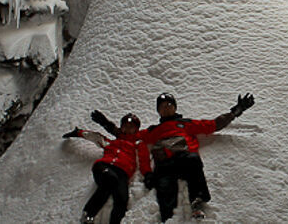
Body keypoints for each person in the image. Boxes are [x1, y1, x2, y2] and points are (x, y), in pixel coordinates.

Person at [95, 93, 254, 221]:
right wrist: (107, 124)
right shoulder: (153, 130)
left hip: (184, 157)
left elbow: (214, 124)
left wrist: (236, 111)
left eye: (169, 104)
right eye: (163, 106)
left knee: (192, 160)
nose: (167, 107)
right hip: (164, 163)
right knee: (163, 184)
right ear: (159, 111)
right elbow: (129, 136)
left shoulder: (186, 124)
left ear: (175, 107)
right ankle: (167, 217)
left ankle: (197, 201)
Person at [63, 113, 150, 224]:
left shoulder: (138, 144)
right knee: (110, 180)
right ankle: (88, 215)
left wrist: (147, 174)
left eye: (131, 127)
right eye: (125, 126)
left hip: (123, 173)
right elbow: (96, 137)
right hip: (105, 166)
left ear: (136, 130)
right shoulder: (111, 143)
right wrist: (78, 133)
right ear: (121, 128)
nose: (128, 129)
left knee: (122, 198)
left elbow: (144, 160)